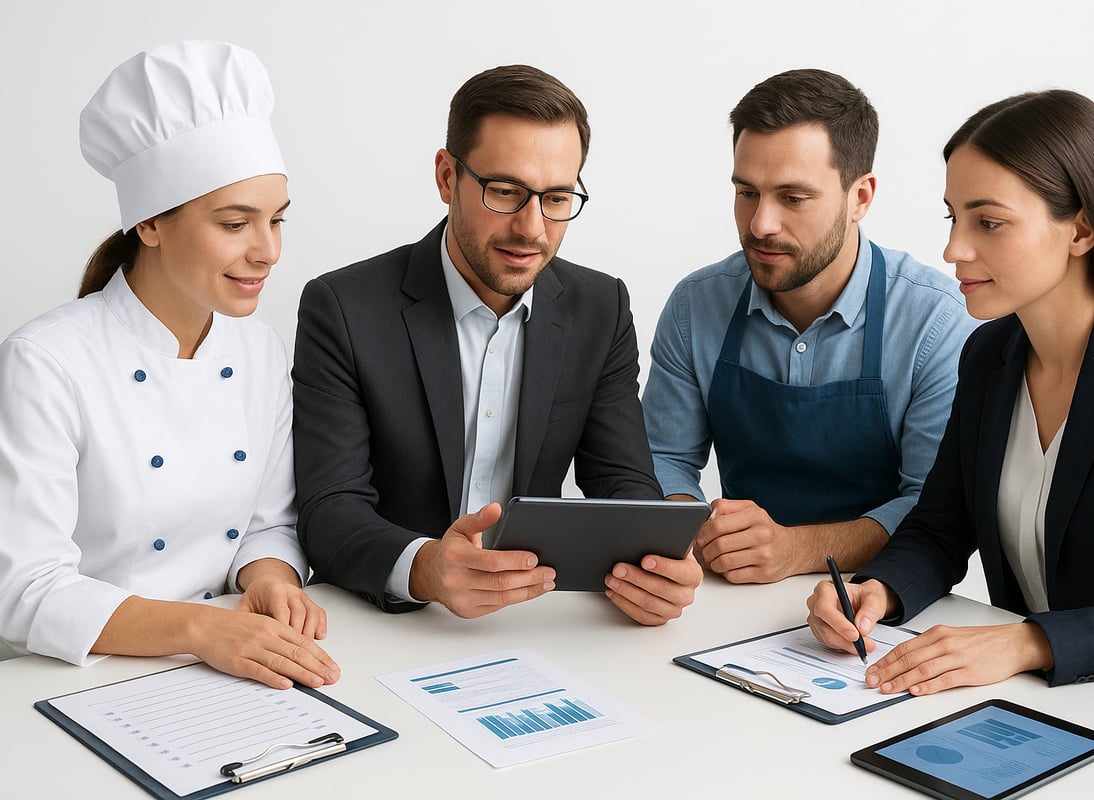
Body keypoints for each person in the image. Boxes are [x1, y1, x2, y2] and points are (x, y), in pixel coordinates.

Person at [807, 89, 1094, 691]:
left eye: (988, 222)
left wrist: (1029, 640)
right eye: (954, 218)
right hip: (1032, 704)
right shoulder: (989, 356)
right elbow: (940, 527)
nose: (954, 249)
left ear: (1083, 230)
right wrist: (877, 591)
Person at [292, 64, 701, 625]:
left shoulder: (600, 307)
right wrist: (425, 568)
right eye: (505, 191)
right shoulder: (342, 307)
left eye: (557, 197)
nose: (532, 227)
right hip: (388, 623)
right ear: (445, 177)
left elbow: (623, 480)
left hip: (538, 620)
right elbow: (328, 509)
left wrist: (657, 565)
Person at [0, 41, 339, 691]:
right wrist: (199, 630)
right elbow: (24, 590)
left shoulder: (259, 349)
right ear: (151, 224)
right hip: (76, 677)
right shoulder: (44, 363)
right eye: (237, 223)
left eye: (277, 220)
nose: (268, 251)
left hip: (231, 662)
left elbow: (268, 523)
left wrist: (268, 577)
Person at [641, 69, 975, 583]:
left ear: (860, 196)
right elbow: (662, 457)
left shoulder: (935, 319)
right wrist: (695, 527)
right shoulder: (695, 304)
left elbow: (931, 507)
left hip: (875, 600)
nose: (760, 224)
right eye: (746, 192)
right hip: (729, 593)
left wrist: (796, 549)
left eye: (792, 198)